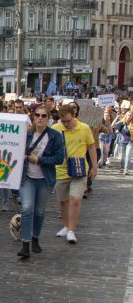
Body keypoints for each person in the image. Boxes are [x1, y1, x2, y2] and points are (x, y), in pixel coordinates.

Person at [17, 107, 64, 258]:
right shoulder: (26, 134)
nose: (40, 118)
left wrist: (39, 160)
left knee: (39, 211)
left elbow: (59, 158)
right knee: (27, 208)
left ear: (48, 118)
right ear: (33, 117)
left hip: (44, 178)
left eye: (44, 116)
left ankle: (35, 238)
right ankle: (25, 244)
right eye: (37, 115)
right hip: (27, 177)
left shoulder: (55, 136)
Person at [52, 104, 97, 244]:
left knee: (75, 199)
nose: (65, 124)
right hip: (60, 170)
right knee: (63, 201)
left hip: (79, 170)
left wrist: (94, 166)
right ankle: (65, 226)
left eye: (68, 121)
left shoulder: (84, 128)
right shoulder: (55, 129)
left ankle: (71, 230)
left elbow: (91, 147)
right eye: (62, 121)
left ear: (74, 116)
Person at [114, 111, 133, 175]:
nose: (129, 117)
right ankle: (122, 167)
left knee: (127, 155)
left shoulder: (132, 124)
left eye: (130, 115)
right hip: (122, 141)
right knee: (122, 156)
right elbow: (115, 127)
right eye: (128, 115)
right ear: (125, 116)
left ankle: (126, 169)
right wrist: (117, 131)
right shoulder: (121, 123)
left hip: (130, 141)